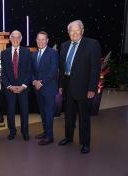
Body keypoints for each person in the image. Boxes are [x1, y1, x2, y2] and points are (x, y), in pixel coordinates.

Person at [58, 20, 101, 153]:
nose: (74, 33)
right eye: (72, 31)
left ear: (82, 31)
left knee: (84, 117)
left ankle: (85, 143)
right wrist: (61, 85)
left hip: (84, 88)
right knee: (69, 115)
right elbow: (62, 68)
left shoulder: (92, 44)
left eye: (77, 31)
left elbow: (95, 68)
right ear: (68, 32)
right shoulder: (64, 45)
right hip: (67, 86)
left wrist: (92, 89)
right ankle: (68, 137)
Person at [1, 30, 32, 141]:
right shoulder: (4, 53)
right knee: (10, 111)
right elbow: (2, 73)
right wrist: (9, 86)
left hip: (23, 88)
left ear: (21, 39)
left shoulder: (27, 52)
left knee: (24, 111)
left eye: (18, 37)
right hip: (9, 89)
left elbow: (29, 71)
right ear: (10, 39)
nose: (15, 39)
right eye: (13, 37)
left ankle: (25, 131)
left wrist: (23, 85)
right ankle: (12, 131)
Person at [31, 31, 59, 145]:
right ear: (36, 41)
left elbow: (53, 71)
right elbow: (32, 71)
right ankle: (45, 132)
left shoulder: (53, 53)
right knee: (42, 112)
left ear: (47, 41)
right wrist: (33, 81)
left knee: (48, 112)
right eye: (38, 39)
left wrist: (41, 82)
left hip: (48, 88)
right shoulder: (34, 54)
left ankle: (49, 136)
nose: (40, 41)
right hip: (38, 89)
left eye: (43, 39)